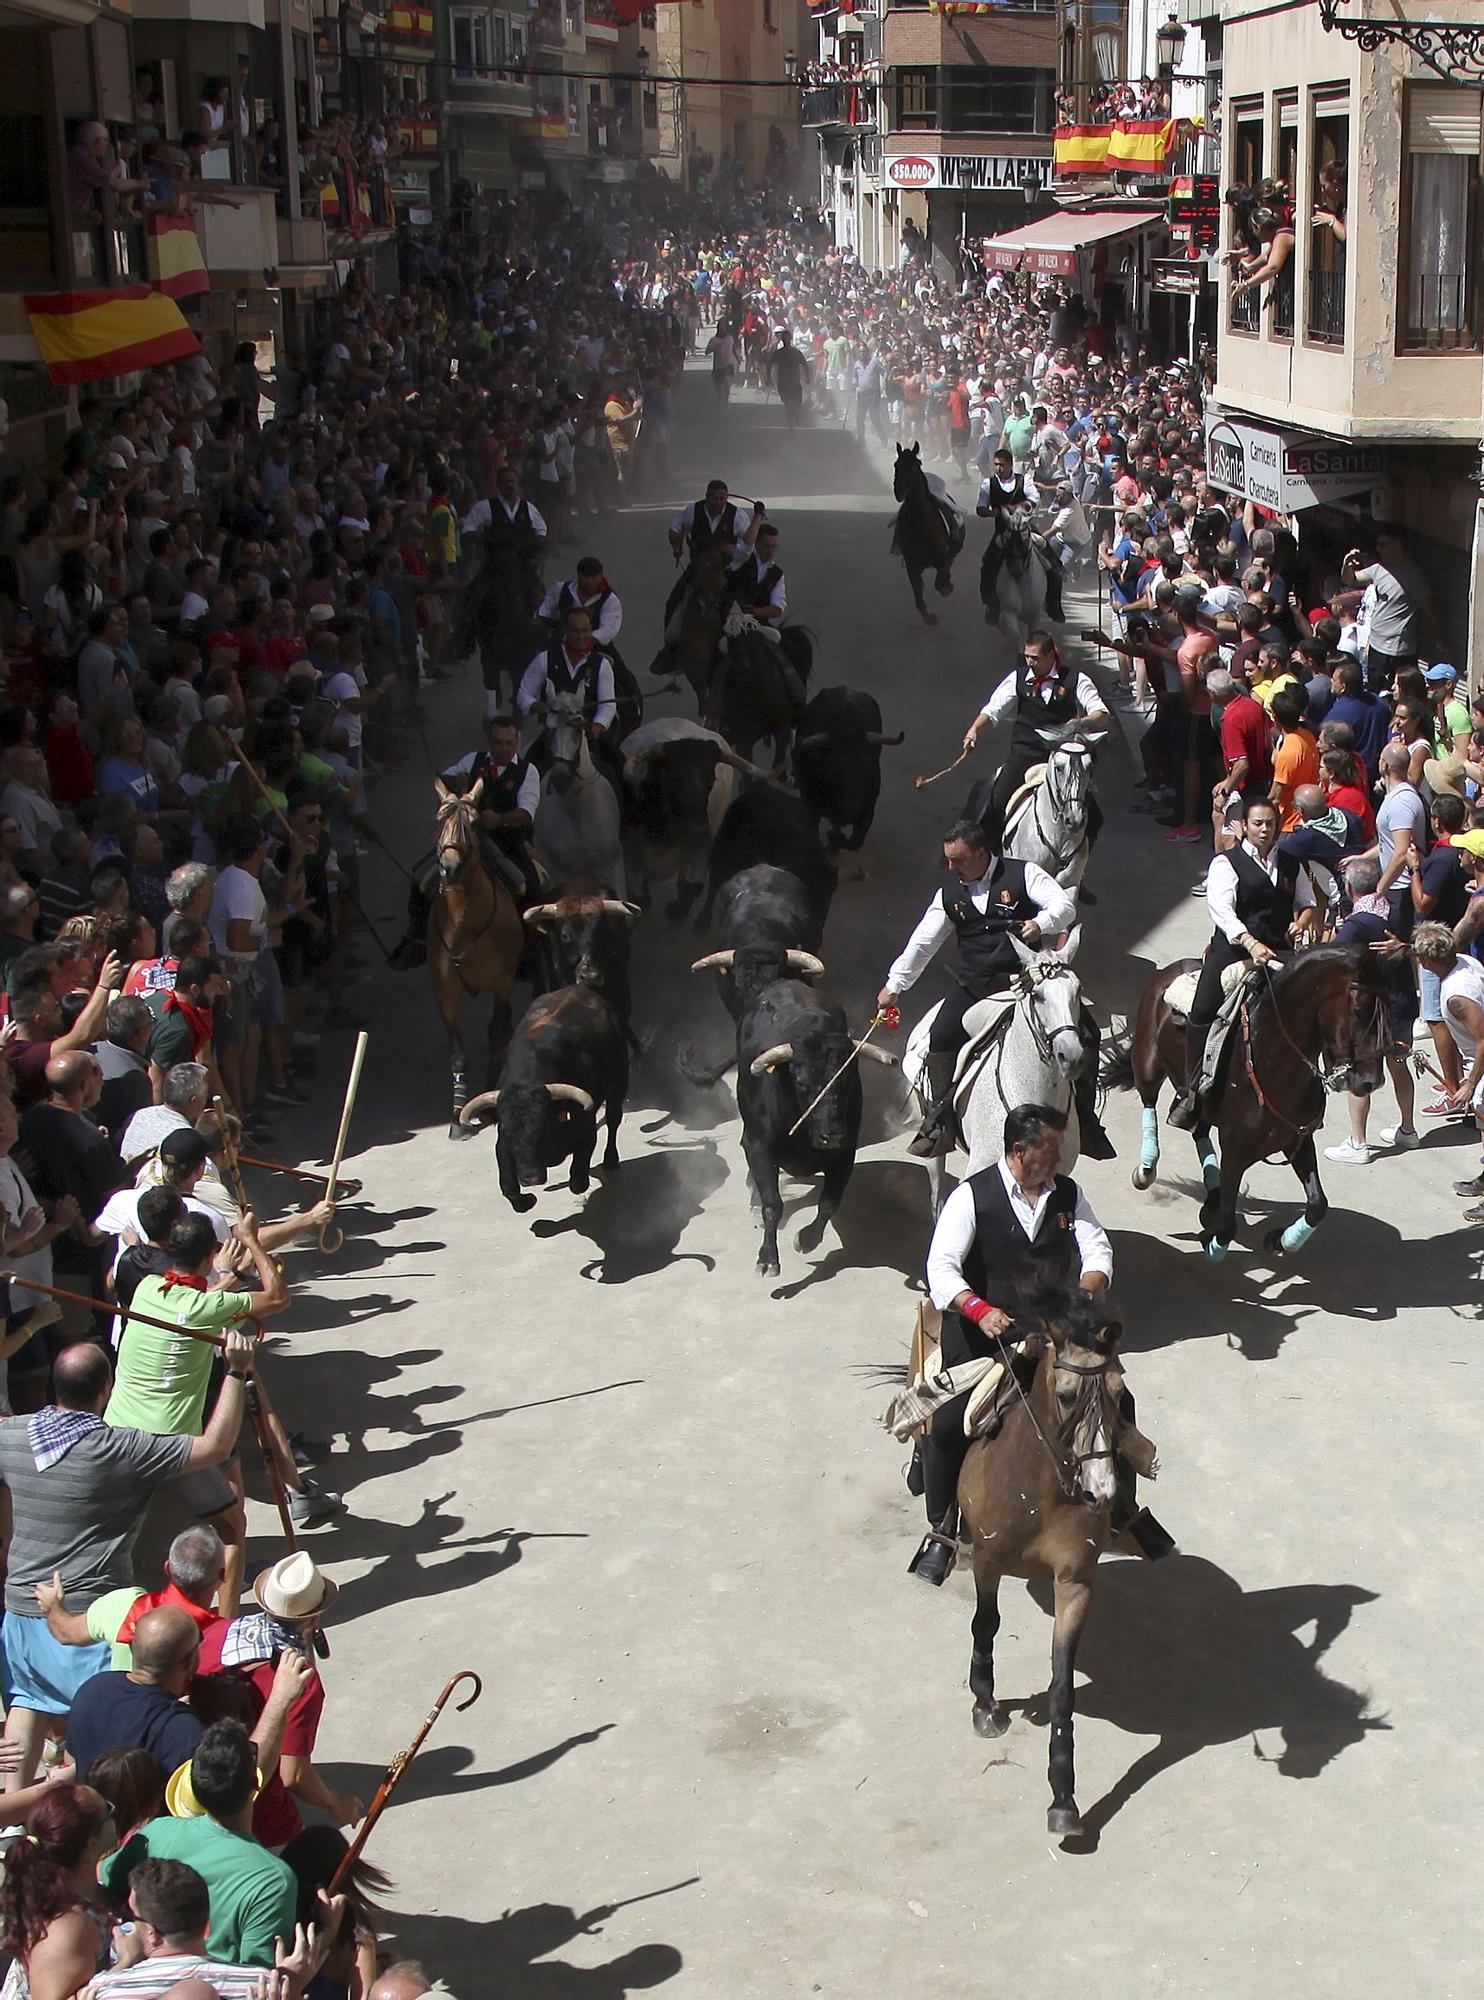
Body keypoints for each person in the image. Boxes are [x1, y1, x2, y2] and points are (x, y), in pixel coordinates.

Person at [0, 1333, 252, 1788]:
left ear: (53, 1387)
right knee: (108, 1731)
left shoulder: (9, 1436)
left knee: (27, 1702)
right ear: (106, 1390)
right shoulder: (121, 1449)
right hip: (92, 1618)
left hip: (21, 1605)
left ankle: (12, 1821)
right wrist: (235, 1370)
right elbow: (214, 1446)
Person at [912, 1101, 1112, 1585]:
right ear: (1020, 1151)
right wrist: (979, 1311)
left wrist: (1083, 1295)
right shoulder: (970, 1197)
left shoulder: (1067, 1195)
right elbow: (940, 1267)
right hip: (986, 1344)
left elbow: (1097, 1248)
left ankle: (1121, 1509)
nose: (1060, 1160)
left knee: (1112, 1400)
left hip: (1052, 1339)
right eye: (1052, 1149)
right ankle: (943, 1528)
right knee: (945, 1423)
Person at [874, 817, 1114, 1159]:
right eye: (949, 860)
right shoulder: (950, 893)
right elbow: (923, 943)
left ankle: (1086, 1122)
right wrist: (895, 985)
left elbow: (1064, 907)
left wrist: (1039, 923)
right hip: (975, 985)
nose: (951, 866)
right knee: (941, 1036)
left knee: (1086, 1032)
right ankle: (939, 1122)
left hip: (1025, 982)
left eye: (958, 859)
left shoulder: (1023, 874)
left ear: (982, 852)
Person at [101, 1715, 306, 1969]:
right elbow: (258, 1976)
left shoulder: (157, 1832)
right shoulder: (274, 1880)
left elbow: (104, 1879)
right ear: (255, 1782)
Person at [197, 1551, 361, 1849]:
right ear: (315, 1615)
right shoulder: (301, 1682)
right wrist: (334, 1802)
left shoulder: (217, 1631)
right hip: (259, 1814)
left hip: (198, 1782)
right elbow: (292, 1775)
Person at [1170, 796, 1315, 1129]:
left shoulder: (1291, 862)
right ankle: (1191, 1088)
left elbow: (1307, 902)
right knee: (1203, 1009)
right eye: (1258, 824)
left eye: (1270, 823)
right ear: (1246, 827)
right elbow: (1223, 911)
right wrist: (1250, 943)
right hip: (1234, 949)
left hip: (1279, 948)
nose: (1265, 830)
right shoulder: (1227, 863)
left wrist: (1302, 921)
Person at [86, 1853, 332, 1999]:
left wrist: (122, 1966)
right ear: (208, 1926)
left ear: (152, 1935)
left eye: (133, 1916)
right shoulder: (263, 1986)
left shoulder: (105, 1990)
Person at [960, 630, 1109, 854]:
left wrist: (1077, 724)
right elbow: (993, 710)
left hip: (1061, 759)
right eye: (1027, 656)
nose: (1029, 662)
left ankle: (1078, 863)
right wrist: (975, 729)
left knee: (1094, 817)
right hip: (1025, 755)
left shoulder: (1076, 680)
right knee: (996, 804)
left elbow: (1101, 713)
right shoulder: (1018, 678)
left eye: (1035, 657)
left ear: (1051, 655)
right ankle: (993, 859)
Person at [1322, 855, 1418, 1165]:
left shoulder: (1358, 923)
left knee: (1360, 1069)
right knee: (1398, 1062)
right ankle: (1408, 1129)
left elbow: (1332, 959)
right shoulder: (1393, 910)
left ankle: (1358, 1143)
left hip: (1374, 1010)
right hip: (1403, 1002)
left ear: (1348, 888)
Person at [0, 1784, 117, 1998]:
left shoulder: (73, 1895)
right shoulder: (66, 1928)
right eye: (108, 1811)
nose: (114, 1815)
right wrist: (128, 1961)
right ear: (91, 1844)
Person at [1413, 921, 1484, 1218]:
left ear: (1427, 962)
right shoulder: (1465, 961)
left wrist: (1469, 1084)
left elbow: (1483, 1040)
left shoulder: (1457, 997)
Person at [976, 447, 1062, 623]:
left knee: (1054, 564)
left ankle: (1053, 604)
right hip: (1003, 532)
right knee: (987, 564)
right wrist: (989, 512)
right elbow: (980, 507)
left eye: (1001, 465)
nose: (998, 468)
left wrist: (1018, 507)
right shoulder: (988, 484)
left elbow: (1034, 499)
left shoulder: (1025, 480)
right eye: (996, 465)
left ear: (1010, 465)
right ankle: (992, 603)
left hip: (1027, 530)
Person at [537, 556, 622, 650]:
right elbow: (543, 610)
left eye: (594, 577)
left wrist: (582, 640)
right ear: (578, 575)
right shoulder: (561, 589)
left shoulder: (609, 600)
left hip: (595, 647)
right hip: (560, 643)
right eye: (585, 576)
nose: (590, 581)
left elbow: (607, 630)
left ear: (601, 576)